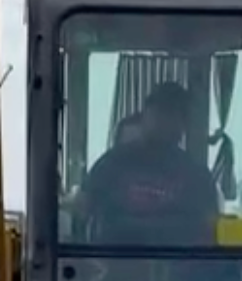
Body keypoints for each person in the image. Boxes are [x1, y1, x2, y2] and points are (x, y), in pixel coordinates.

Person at [77, 81, 218, 245]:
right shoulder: (111, 163)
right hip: (115, 261)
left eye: (172, 114)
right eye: (158, 112)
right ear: (145, 114)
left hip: (179, 265)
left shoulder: (197, 176)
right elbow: (82, 210)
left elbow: (211, 229)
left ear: (183, 125)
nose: (163, 121)